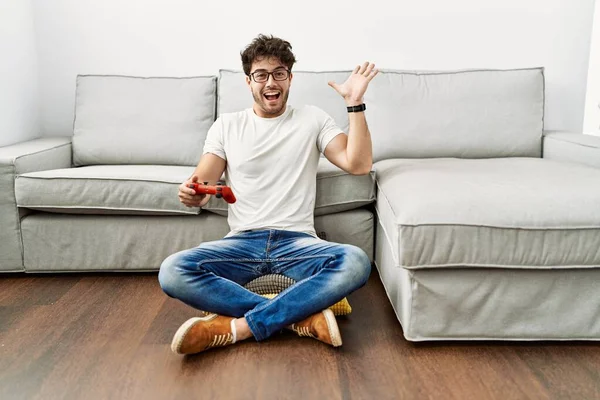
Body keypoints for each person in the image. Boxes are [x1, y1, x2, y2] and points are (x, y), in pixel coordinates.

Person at [158, 34, 378, 355]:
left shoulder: (313, 119)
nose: (270, 82)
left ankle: (239, 327)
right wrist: (193, 191)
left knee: (356, 262)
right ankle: (298, 318)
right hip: (241, 244)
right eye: (261, 75)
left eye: (279, 73)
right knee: (173, 271)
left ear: (290, 78)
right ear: (249, 81)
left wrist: (354, 103)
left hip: (297, 244)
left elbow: (358, 164)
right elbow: (203, 179)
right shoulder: (227, 125)